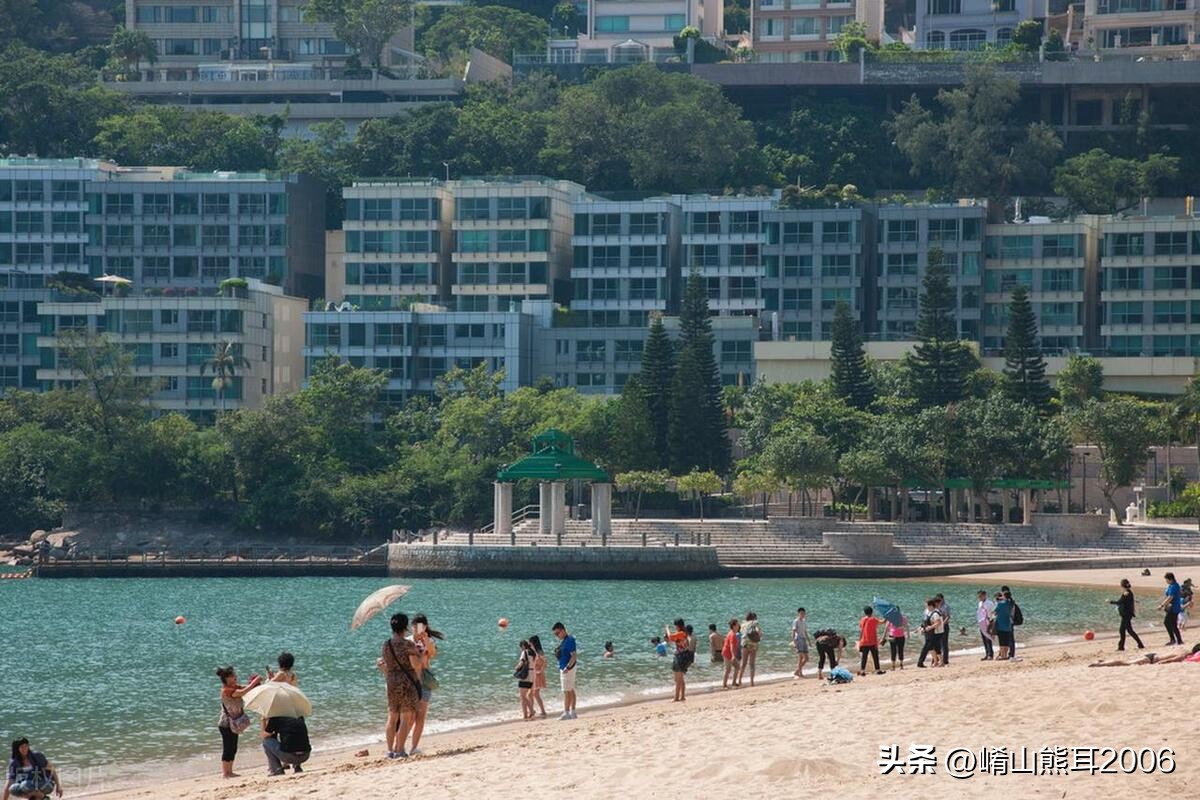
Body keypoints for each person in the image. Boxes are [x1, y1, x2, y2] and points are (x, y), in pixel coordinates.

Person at [380, 612, 423, 759]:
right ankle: (400, 750)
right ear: (405, 627)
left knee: (392, 716)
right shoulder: (408, 644)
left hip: (391, 681)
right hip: (406, 682)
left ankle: (389, 750)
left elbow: (386, 663)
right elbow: (417, 663)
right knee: (405, 717)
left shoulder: (386, 644)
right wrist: (420, 652)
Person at [407, 613, 444, 756]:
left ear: (425, 627)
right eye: (415, 626)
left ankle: (414, 747)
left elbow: (432, 654)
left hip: (424, 680)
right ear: (411, 626)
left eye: (421, 626)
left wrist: (426, 641)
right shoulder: (408, 641)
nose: (417, 629)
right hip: (410, 680)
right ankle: (401, 745)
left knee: (420, 717)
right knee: (409, 717)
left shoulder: (429, 641)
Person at [215, 665, 261, 778]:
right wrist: (254, 682)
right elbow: (243, 692)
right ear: (226, 678)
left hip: (234, 723)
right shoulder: (226, 690)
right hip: (226, 724)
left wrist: (257, 683)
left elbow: (248, 689)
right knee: (228, 748)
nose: (235, 676)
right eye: (232, 675)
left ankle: (230, 771)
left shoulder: (235, 687)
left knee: (233, 748)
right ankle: (226, 773)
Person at [1089, 644, 1200, 667]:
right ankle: (1101, 664)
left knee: (1126, 661)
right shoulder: (1184, 654)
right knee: (1126, 663)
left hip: (1152, 655)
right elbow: (1171, 660)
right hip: (1151, 659)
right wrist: (1159, 664)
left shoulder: (1182, 649)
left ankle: (1104, 661)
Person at [1109, 578, 1144, 651]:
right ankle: (1140, 644)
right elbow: (1127, 601)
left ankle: (1121, 647)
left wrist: (1110, 601)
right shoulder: (1129, 592)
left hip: (1126, 615)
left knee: (1122, 630)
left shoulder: (1126, 593)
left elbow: (1120, 602)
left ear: (1122, 586)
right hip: (1128, 614)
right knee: (1129, 630)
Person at [552, 622, 578, 720]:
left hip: (567, 669)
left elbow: (574, 656)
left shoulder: (569, 640)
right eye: (555, 634)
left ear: (562, 630)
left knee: (566, 691)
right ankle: (573, 712)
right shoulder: (566, 640)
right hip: (566, 668)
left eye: (557, 633)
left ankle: (566, 712)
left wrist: (567, 667)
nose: (556, 636)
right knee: (570, 690)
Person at [665, 618, 692, 701]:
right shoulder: (683, 633)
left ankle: (676, 698)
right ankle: (682, 696)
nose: (675, 627)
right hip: (682, 656)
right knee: (680, 678)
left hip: (681, 657)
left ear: (678, 625)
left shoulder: (681, 633)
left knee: (678, 679)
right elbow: (671, 639)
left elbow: (670, 637)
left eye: (675, 626)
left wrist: (667, 628)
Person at [1158, 572, 1185, 646]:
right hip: (1171, 608)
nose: (1166, 581)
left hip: (1174, 608)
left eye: (1166, 579)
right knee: (1169, 623)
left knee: (1170, 623)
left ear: (1170, 579)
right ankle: (1176, 640)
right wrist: (1163, 602)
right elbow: (1167, 596)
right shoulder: (1171, 585)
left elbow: (1170, 597)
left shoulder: (1174, 586)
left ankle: (1176, 640)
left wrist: (1162, 605)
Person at [916, 599, 944, 668]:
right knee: (931, 647)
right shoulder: (928, 612)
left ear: (931, 606)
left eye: (927, 605)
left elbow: (938, 623)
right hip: (930, 632)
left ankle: (940, 662)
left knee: (936, 647)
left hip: (937, 633)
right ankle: (936, 661)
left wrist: (930, 627)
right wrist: (921, 627)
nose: (926, 607)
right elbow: (925, 621)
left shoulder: (936, 613)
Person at [857, 606, 884, 676]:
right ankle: (878, 670)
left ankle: (862, 671)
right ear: (872, 612)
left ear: (865, 612)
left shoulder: (862, 620)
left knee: (864, 657)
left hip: (864, 641)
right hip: (873, 642)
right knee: (875, 656)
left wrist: (859, 640)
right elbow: (882, 622)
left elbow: (861, 630)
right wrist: (887, 616)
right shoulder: (873, 619)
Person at [738, 611, 761, 687]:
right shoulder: (755, 623)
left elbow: (741, 633)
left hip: (745, 644)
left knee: (743, 663)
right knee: (752, 664)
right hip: (753, 644)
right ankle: (751, 682)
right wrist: (759, 635)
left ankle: (739, 680)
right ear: (754, 618)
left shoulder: (743, 624)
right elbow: (758, 631)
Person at [529, 635, 548, 718]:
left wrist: (541, 670)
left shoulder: (539, 652)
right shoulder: (534, 651)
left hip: (538, 674)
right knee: (531, 693)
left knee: (535, 693)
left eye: (530, 642)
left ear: (533, 643)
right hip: (534, 674)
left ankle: (543, 711)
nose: (529, 644)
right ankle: (532, 711)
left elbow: (545, 661)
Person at [515, 640, 535, 720]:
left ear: (523, 646)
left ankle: (530, 711)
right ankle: (526, 713)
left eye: (521, 647)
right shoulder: (532, 652)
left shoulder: (524, 652)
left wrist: (516, 668)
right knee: (524, 696)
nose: (521, 649)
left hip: (525, 675)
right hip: (531, 675)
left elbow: (521, 663)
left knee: (522, 696)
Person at [1001, 585, 1021, 658]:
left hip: (1006, 622)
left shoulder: (1006, 602)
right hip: (1011, 622)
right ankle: (1010, 654)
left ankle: (1009, 654)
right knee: (1010, 638)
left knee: (1007, 638)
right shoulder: (1012, 602)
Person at [993, 591, 1014, 661]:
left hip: (1001, 625)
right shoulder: (1010, 604)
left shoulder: (1000, 604)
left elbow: (994, 612)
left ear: (1004, 596)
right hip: (1008, 625)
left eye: (1002, 595)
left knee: (1001, 641)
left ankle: (1002, 656)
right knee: (1006, 641)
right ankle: (1005, 655)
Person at [721, 619, 741, 689]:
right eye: (737, 625)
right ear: (734, 626)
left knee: (737, 667)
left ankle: (734, 682)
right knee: (728, 669)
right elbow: (731, 646)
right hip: (727, 653)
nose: (738, 626)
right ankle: (724, 685)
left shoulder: (733, 633)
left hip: (730, 653)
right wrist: (733, 656)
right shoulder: (732, 634)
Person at [976, 590, 995, 661]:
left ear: (984, 595)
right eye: (979, 596)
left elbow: (993, 612)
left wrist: (991, 621)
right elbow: (979, 613)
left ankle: (990, 655)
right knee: (984, 639)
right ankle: (987, 654)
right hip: (982, 623)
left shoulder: (989, 603)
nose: (979, 598)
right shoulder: (980, 603)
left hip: (988, 621)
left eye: (980, 596)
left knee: (988, 638)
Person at [791, 608, 809, 678]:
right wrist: (794, 641)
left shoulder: (804, 621)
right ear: (798, 614)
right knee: (800, 657)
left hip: (804, 639)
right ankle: (800, 673)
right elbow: (793, 631)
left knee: (807, 658)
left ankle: (797, 671)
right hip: (798, 639)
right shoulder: (796, 621)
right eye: (801, 613)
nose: (802, 615)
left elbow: (805, 631)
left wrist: (809, 641)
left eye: (803, 613)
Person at [935, 593, 951, 665]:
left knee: (944, 644)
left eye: (939, 599)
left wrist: (943, 624)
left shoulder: (946, 606)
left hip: (944, 626)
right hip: (937, 626)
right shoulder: (936, 606)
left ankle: (945, 660)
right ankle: (938, 659)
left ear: (942, 599)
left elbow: (948, 616)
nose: (938, 601)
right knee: (937, 643)